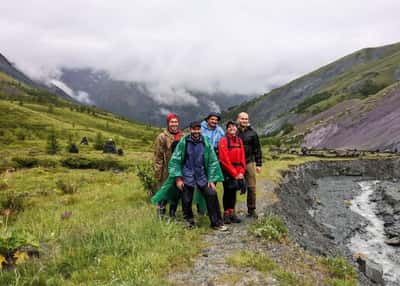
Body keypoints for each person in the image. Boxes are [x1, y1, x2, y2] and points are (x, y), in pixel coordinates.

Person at [152, 121, 227, 231]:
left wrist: (211, 179)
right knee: (186, 199)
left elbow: (212, 161)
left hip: (202, 176)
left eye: (198, 129)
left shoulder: (205, 142)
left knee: (211, 194)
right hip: (187, 176)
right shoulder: (184, 142)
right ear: (190, 130)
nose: (196, 131)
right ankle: (189, 222)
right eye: (194, 129)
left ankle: (216, 223)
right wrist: (178, 178)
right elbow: (175, 160)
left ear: (201, 129)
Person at [153, 113, 183, 218]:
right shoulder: (162, 137)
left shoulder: (182, 136)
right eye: (172, 122)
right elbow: (158, 156)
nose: (174, 124)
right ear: (168, 123)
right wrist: (158, 172)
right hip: (166, 169)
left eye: (176, 122)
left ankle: (172, 213)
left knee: (175, 191)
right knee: (164, 189)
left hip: (179, 169)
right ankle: (161, 212)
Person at [218, 121, 247, 224]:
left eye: (233, 127)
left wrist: (241, 172)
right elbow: (224, 159)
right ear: (227, 129)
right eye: (229, 127)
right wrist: (235, 173)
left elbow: (243, 157)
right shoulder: (223, 141)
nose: (232, 128)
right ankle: (226, 214)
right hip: (227, 171)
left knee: (233, 191)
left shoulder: (239, 141)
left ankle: (232, 213)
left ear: (236, 128)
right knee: (227, 191)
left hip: (238, 172)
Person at [237, 112, 262, 218]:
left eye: (246, 119)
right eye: (242, 119)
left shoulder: (253, 133)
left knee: (251, 187)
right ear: (238, 119)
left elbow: (257, 149)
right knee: (232, 188)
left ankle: (251, 210)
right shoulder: (233, 132)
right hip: (236, 164)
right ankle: (230, 212)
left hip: (249, 162)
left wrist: (258, 164)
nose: (244, 121)